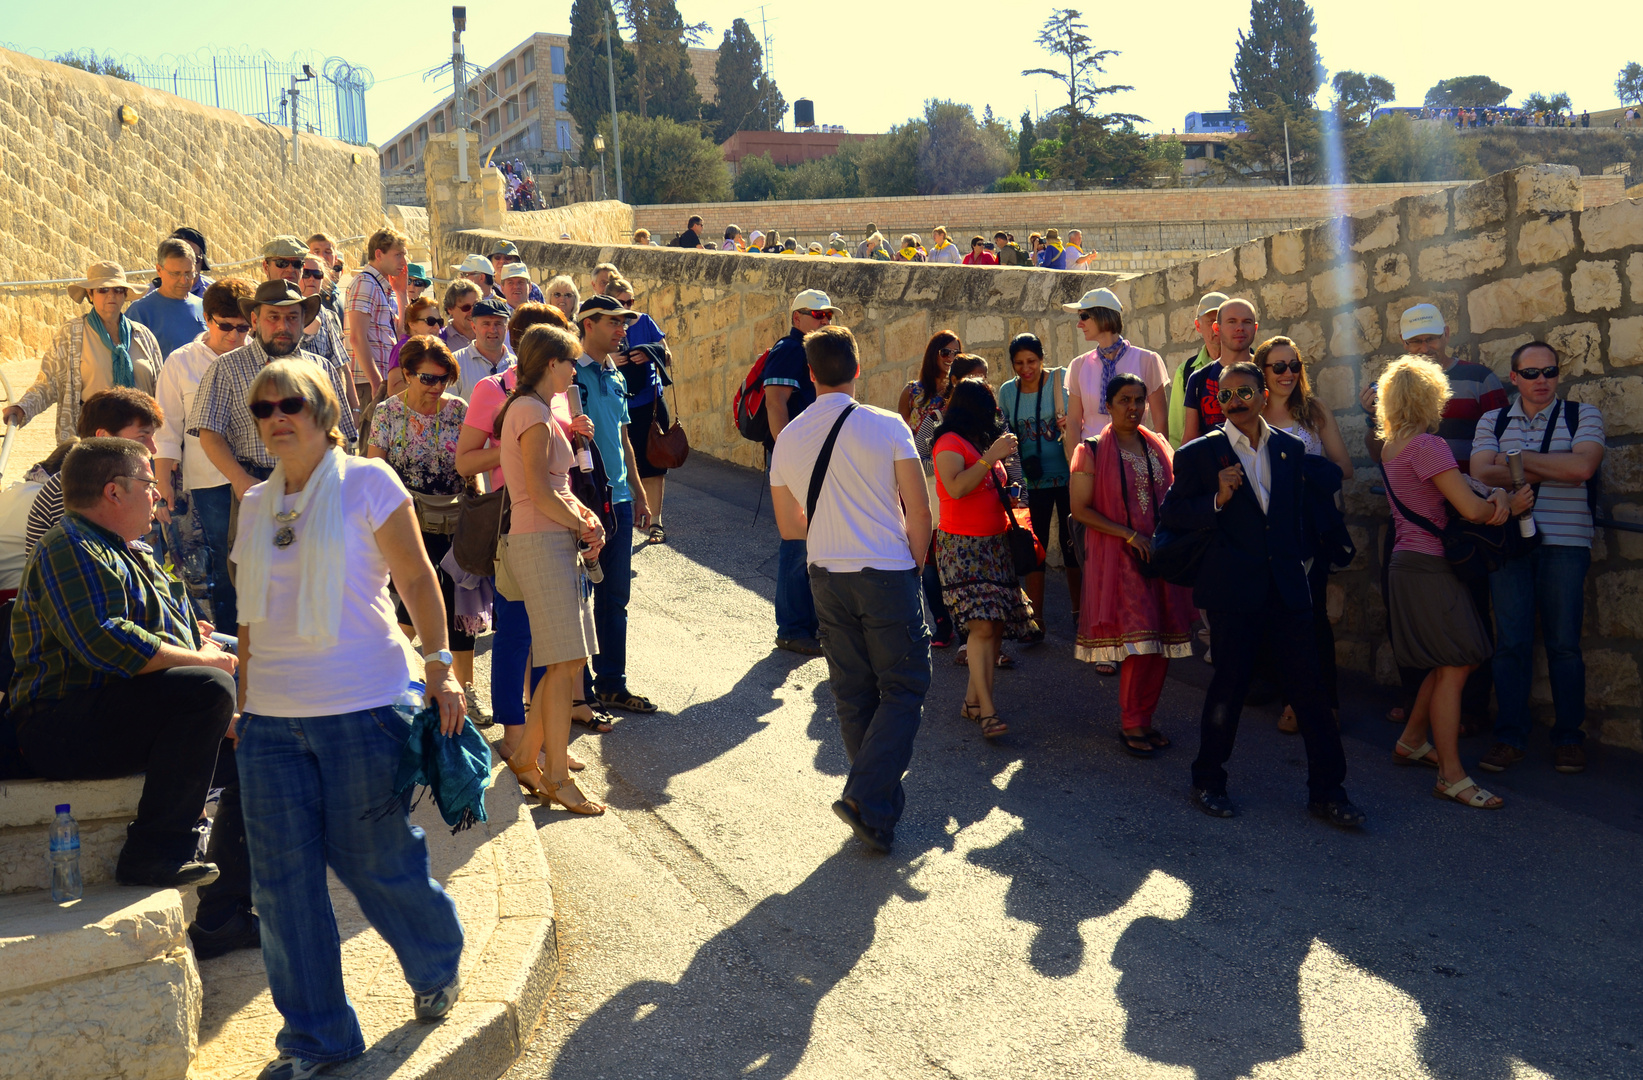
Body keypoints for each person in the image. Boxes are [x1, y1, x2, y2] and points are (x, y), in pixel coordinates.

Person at [232, 359, 466, 1077]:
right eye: (264, 405)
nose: (277, 415)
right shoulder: (253, 504)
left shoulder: (368, 481)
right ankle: (317, 1036)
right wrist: (242, 703)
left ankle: (434, 962)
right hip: (271, 719)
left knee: (374, 859)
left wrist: (439, 663)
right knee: (280, 885)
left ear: (324, 410)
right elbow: (247, 615)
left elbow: (418, 578)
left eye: (291, 402)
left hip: (362, 706)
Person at [10, 437, 235, 889]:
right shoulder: (68, 544)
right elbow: (105, 640)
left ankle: (223, 912)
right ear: (114, 491)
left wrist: (207, 653)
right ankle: (153, 855)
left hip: (115, 711)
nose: (157, 494)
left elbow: (175, 630)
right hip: (58, 725)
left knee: (263, 738)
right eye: (149, 482)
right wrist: (203, 660)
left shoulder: (128, 549)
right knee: (208, 687)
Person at [1160, 361, 1362, 827]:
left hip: (1287, 588)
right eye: (1224, 397)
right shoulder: (1198, 455)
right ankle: (1208, 781)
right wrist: (1216, 499)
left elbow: (1297, 515)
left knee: (1310, 691)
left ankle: (1329, 792)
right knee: (1229, 688)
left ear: (1263, 394)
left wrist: (1303, 563)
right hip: (1233, 594)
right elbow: (1174, 515)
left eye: (1244, 393)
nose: (1234, 403)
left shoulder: (1291, 449)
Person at [769, 325, 933, 854]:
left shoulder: (789, 437)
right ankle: (866, 797)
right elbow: (919, 509)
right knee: (904, 686)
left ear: (810, 374)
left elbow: (790, 528)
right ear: (858, 369)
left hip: (825, 574)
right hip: (886, 570)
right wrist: (915, 564)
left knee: (853, 689)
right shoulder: (887, 426)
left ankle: (874, 809)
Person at [1375, 356, 1529, 810]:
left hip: (1407, 561)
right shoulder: (1428, 445)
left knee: (1446, 663)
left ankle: (1412, 740)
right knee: (1460, 663)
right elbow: (1473, 511)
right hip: (1430, 567)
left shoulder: (1392, 446)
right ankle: (1451, 775)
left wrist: (1491, 495)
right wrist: (1508, 503)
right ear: (1431, 396)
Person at [456, 304, 612, 744]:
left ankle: (540, 743)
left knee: (551, 646)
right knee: (517, 636)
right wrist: (515, 447)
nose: (574, 371)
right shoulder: (495, 392)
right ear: (544, 356)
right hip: (517, 520)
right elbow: (465, 460)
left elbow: (550, 470)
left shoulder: (550, 397)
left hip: (551, 518)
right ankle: (516, 736)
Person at [1362, 303, 1507, 733]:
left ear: (1447, 332)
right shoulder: (1425, 442)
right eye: (1415, 341)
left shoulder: (1481, 379)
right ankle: (1443, 752)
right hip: (1441, 525)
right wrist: (1500, 504)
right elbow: (1385, 456)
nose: (1425, 347)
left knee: (1463, 626)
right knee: (1458, 642)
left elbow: (1501, 435)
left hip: (1440, 526)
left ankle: (1454, 719)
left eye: (1430, 338)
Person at [1470, 341, 1606, 776]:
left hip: (1566, 543)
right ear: (1514, 378)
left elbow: (1582, 469)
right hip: (1510, 543)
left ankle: (1569, 738)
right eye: (1530, 374)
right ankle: (1510, 737)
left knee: (1564, 644)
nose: (1541, 381)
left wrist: (1514, 462)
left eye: (1549, 372)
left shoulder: (1582, 415)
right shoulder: (1493, 418)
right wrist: (1553, 463)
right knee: (1510, 644)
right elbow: (1477, 471)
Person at [493, 325, 607, 815]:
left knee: (565, 662)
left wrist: (585, 518)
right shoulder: (532, 412)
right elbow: (539, 492)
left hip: (545, 537)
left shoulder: (535, 409)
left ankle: (526, 758)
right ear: (548, 363)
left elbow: (549, 490)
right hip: (541, 540)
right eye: (568, 362)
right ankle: (555, 776)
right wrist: (582, 524)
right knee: (562, 664)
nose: (573, 370)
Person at [187, 280, 361, 588]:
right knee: (256, 590)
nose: (283, 325)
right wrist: (241, 481)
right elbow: (208, 432)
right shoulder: (226, 368)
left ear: (303, 322)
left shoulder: (322, 369)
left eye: (292, 317)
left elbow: (342, 437)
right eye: (273, 317)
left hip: (315, 491)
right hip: (257, 488)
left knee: (319, 585)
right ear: (254, 320)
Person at [1069, 373, 1195, 755]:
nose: (1134, 407)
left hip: (1159, 555)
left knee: (1162, 642)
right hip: (1119, 557)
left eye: (1139, 400)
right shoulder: (1090, 449)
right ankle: (1131, 724)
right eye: (1124, 399)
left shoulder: (1156, 445)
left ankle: (1146, 718)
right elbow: (1079, 510)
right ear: (1107, 405)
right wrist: (1128, 535)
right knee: (1141, 643)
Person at [366, 336, 484, 719]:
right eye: (427, 379)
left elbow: (471, 468)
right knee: (406, 609)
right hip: (406, 527)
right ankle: (389, 683)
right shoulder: (387, 413)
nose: (436, 388)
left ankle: (466, 691)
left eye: (444, 379)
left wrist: (477, 515)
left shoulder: (458, 411)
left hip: (454, 524)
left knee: (459, 609)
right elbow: (374, 473)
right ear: (406, 374)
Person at [1256, 334, 1354, 730]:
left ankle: (1324, 702)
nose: (1288, 373)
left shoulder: (1314, 412)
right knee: (1278, 617)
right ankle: (1292, 698)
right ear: (1262, 371)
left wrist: (1297, 469)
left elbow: (1343, 467)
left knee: (1312, 617)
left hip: (1310, 529)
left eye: (1294, 365)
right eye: (1278, 366)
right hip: (1266, 532)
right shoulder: (1253, 413)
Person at [932, 379, 1035, 740]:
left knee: (994, 626)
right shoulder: (948, 442)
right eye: (990, 405)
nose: (995, 413)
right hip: (961, 548)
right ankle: (988, 714)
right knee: (981, 626)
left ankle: (972, 702)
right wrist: (991, 457)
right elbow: (956, 487)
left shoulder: (978, 441)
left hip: (994, 545)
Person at [574, 295, 656, 713]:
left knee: (614, 598)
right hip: (584, 502)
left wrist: (640, 496)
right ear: (588, 324)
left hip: (620, 501)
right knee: (579, 596)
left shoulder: (617, 375)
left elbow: (624, 442)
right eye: (614, 322)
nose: (622, 330)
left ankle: (611, 683)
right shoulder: (569, 374)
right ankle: (577, 690)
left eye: (624, 323)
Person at [155, 280, 252, 624]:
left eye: (242, 327)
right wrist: (163, 482)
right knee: (224, 567)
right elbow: (167, 429)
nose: (234, 336)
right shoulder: (180, 362)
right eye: (225, 326)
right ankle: (232, 646)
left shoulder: (260, 357)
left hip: (259, 477)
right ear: (207, 319)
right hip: (209, 482)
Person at [764, 290, 842, 655]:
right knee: (797, 544)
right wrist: (788, 452)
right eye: (818, 314)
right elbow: (775, 402)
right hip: (798, 461)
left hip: (816, 459)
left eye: (829, 315)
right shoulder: (790, 350)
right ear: (797, 318)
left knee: (815, 543)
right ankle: (793, 628)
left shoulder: (815, 352)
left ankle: (808, 625)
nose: (825, 320)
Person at [4, 262, 163, 442]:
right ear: (90, 294)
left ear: (125, 294)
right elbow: (49, 383)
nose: (111, 295)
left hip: (141, 438)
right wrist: (23, 407)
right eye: (102, 290)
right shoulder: (72, 334)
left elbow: (162, 391)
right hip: (91, 440)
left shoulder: (143, 336)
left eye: (118, 289)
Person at [999, 332, 1080, 645]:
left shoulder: (1061, 383)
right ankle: (1035, 620)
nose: (1025, 368)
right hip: (1031, 481)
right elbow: (1003, 430)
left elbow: (1079, 422)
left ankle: (1079, 612)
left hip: (1068, 475)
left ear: (1042, 358)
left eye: (1031, 361)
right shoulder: (1008, 392)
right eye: (1018, 363)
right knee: (1034, 547)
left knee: (1072, 543)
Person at [25, 388, 163, 560]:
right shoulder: (72, 486)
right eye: (142, 437)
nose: (153, 449)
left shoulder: (110, 481)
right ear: (103, 437)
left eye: (152, 437)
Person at [898, 331, 962, 647]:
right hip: (917, 480)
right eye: (946, 352)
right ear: (933, 353)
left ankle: (959, 623)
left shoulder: (959, 391)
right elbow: (898, 435)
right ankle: (940, 621)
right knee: (925, 554)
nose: (951, 358)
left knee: (947, 552)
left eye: (956, 353)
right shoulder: (913, 392)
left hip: (949, 481)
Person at [609, 278, 672, 545]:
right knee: (620, 463)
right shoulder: (606, 325)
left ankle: (655, 522)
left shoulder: (644, 322)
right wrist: (610, 359)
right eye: (622, 303)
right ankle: (623, 517)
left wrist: (650, 354)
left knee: (654, 465)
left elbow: (667, 355)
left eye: (631, 301)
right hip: (616, 404)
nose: (628, 308)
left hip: (650, 402)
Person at [1063, 288, 1170, 446]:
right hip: (1093, 458)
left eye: (1083, 316)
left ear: (1103, 316)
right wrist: (1076, 467)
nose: (1079, 324)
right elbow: (1073, 423)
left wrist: (1160, 463)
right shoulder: (1079, 366)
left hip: (1133, 459)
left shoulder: (1147, 360)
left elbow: (1160, 422)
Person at [1181, 296, 1259, 444]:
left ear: (1255, 328)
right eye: (1232, 321)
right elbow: (1191, 438)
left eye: (1246, 322)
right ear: (1217, 328)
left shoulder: (1268, 372)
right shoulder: (1199, 379)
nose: (1240, 328)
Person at [347, 228, 410, 403]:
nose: (404, 262)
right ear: (379, 254)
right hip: (369, 383)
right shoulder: (365, 283)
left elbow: (401, 334)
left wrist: (402, 293)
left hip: (382, 381)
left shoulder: (382, 288)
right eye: (398, 255)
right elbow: (357, 337)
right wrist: (376, 382)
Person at [126, 237, 208, 358]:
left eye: (188, 273)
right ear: (159, 270)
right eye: (176, 274)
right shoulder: (140, 312)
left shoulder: (205, 307)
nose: (184, 280)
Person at [1168, 293, 1227, 450]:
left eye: (1221, 321)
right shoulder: (1186, 372)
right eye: (1210, 322)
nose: (1216, 327)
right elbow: (1177, 430)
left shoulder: (1253, 362)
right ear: (1198, 325)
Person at [451, 297, 516, 400]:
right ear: (474, 327)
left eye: (498, 324)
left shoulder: (516, 365)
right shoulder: (456, 363)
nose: (492, 330)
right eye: (486, 324)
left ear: (507, 327)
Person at [382, 297, 447, 396]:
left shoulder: (440, 346)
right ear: (412, 324)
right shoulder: (402, 347)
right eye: (430, 321)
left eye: (439, 322)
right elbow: (393, 389)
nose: (437, 326)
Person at [150, 226, 212, 298]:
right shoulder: (146, 299)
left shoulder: (216, 293)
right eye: (178, 256)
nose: (186, 263)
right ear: (159, 269)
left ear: (202, 261)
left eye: (194, 258)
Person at [440, 279, 481, 355]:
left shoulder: (489, 334)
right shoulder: (441, 340)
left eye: (476, 305)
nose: (472, 311)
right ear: (450, 309)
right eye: (466, 307)